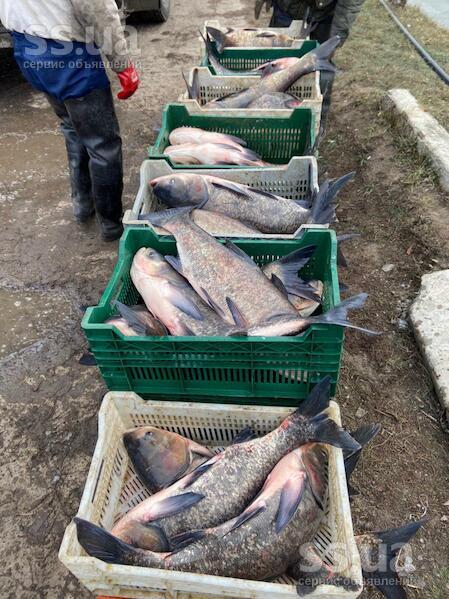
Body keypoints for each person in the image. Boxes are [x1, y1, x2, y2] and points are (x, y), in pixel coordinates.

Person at [0, 1, 140, 241]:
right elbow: (96, 8)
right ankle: (111, 225)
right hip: (68, 53)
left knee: (72, 126)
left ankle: (83, 205)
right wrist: (122, 64)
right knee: (103, 145)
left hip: (28, 46)